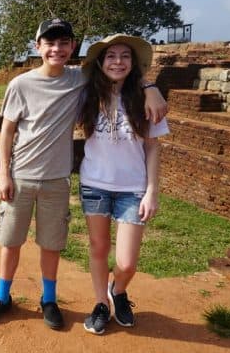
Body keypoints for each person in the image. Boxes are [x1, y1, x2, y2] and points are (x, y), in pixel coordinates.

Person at [0, 18, 168, 329]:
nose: (57, 49)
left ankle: (49, 299)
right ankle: (2, 296)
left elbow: (122, 72)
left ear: (73, 47)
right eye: (49, 43)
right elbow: (7, 131)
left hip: (57, 179)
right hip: (21, 174)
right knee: (11, 241)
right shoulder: (21, 85)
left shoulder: (81, 79)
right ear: (38, 46)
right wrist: (3, 174)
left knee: (51, 244)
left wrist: (150, 87)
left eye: (63, 43)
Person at [78, 34, 168, 335]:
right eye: (111, 56)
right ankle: (101, 303)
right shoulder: (86, 95)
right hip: (95, 184)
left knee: (127, 263)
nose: (118, 61)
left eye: (125, 56)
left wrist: (152, 190)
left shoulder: (145, 98)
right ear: (101, 63)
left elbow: (153, 147)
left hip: (133, 188)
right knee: (98, 248)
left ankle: (118, 289)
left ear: (134, 63)